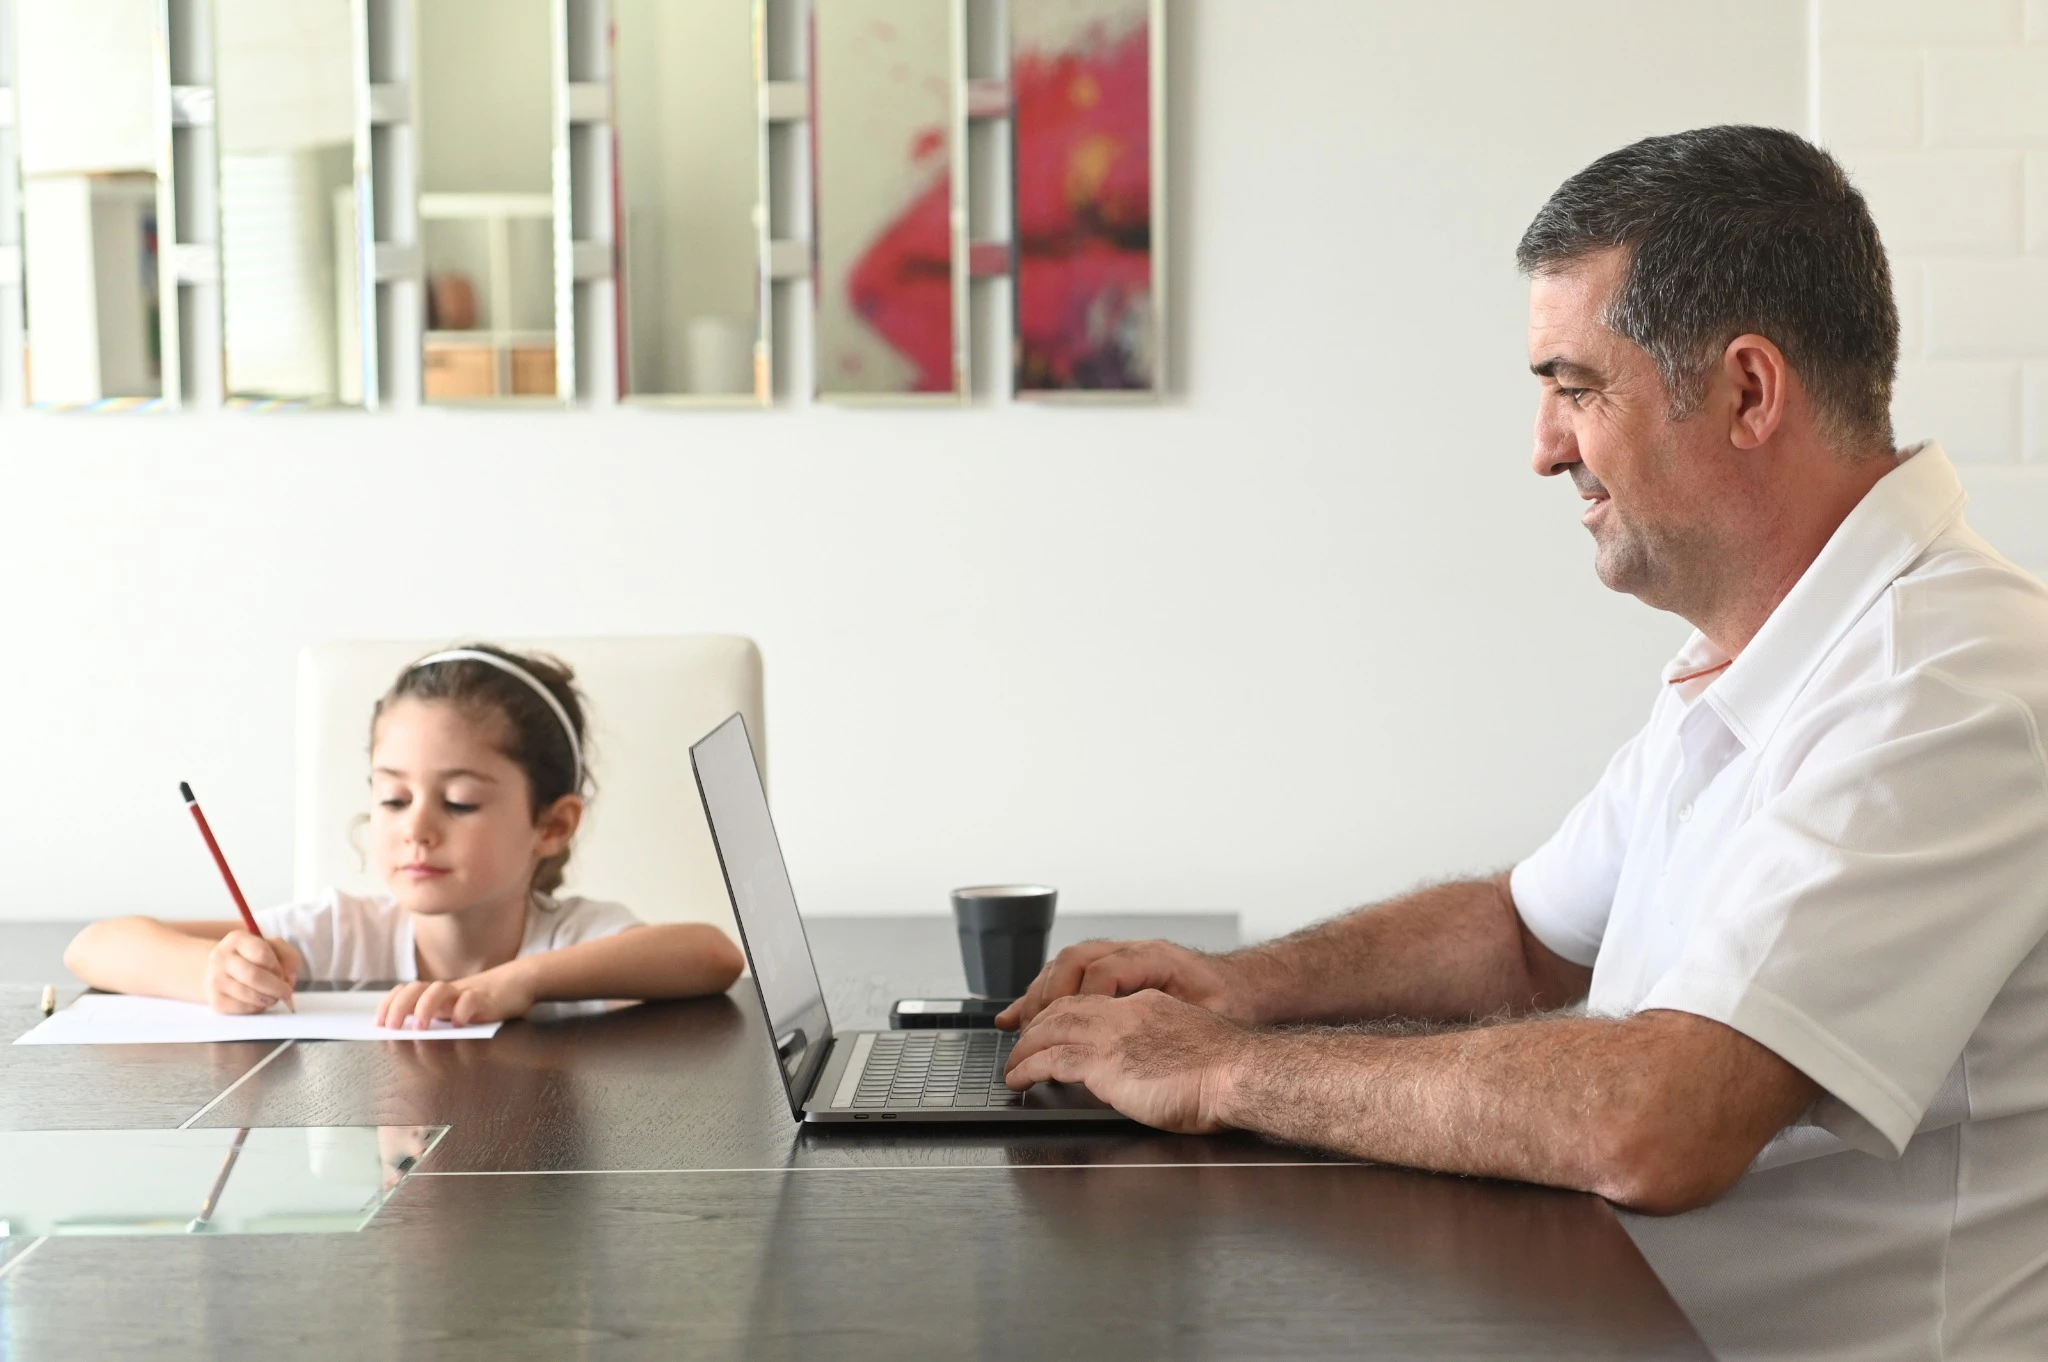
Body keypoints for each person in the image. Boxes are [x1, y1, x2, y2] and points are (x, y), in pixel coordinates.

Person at [998, 126, 2048, 1361]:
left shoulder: (1951, 683)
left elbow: (1655, 1123)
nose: (1544, 446)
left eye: (1576, 387)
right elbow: (1525, 932)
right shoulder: (1772, 653)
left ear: (1747, 392)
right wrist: (1237, 987)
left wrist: (1226, 1070)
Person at [68, 644, 744, 1027]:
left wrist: (521, 982)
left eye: (459, 802)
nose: (416, 828)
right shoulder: (338, 933)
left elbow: (713, 956)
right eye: (393, 797)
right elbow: (94, 947)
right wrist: (208, 972)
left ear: (552, 825)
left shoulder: (567, 939)